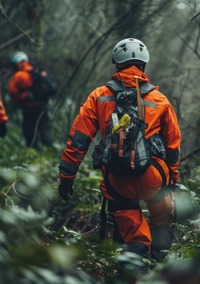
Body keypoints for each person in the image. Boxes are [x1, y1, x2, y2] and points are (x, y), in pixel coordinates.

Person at [57, 38, 182, 269]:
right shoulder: (159, 100)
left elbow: (78, 141)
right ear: (144, 65)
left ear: (116, 65)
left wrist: (67, 176)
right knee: (162, 215)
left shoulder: (99, 96)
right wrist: (173, 178)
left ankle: (134, 267)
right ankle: (161, 263)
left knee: (134, 233)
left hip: (117, 178)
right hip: (153, 176)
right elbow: (173, 145)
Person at [8, 51, 53, 148]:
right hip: (42, 106)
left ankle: (32, 151)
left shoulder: (19, 75)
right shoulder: (37, 72)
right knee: (45, 128)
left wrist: (18, 99)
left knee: (30, 130)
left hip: (29, 107)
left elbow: (12, 90)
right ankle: (50, 150)